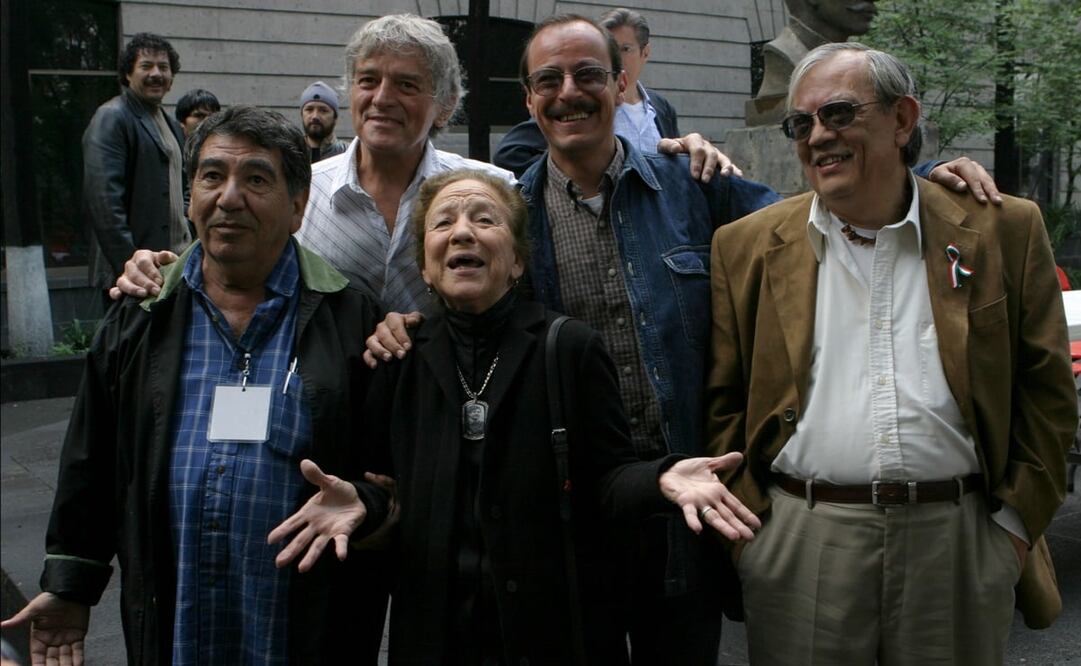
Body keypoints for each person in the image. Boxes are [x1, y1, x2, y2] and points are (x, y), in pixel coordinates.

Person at [367, 15, 1007, 664]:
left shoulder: (693, 185)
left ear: (622, 85)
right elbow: (474, 312)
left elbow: (823, 207)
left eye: (588, 75)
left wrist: (921, 176)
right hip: (569, 518)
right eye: (548, 81)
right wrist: (406, 321)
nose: (569, 93)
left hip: (688, 508)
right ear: (529, 101)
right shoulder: (515, 217)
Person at [269, 168, 761, 665]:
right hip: (435, 636)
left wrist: (662, 477)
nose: (463, 232)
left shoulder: (569, 347)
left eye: (485, 219)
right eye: (444, 222)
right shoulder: (399, 359)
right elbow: (385, 484)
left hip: (554, 636)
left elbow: (608, 478)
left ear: (519, 261)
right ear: (424, 267)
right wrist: (363, 505)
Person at [706, 42, 1076, 663]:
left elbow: (1048, 396)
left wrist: (1012, 532)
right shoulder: (743, 246)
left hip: (958, 542)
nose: (818, 136)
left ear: (902, 119)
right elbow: (723, 400)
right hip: (800, 543)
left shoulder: (1002, 229)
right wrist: (753, 539)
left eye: (838, 113)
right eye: (801, 124)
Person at [1, 106, 390, 665]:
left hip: (303, 627)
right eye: (212, 176)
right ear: (190, 199)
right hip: (175, 626)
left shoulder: (351, 320)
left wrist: (367, 503)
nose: (229, 198)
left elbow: (388, 475)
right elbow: (92, 461)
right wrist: (69, 586)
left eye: (256, 179)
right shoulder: (139, 316)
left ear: (298, 206)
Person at [493, 7, 682, 177]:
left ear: (645, 52)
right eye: (549, 79)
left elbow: (674, 160)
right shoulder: (570, 110)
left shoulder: (660, 107)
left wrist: (690, 159)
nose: (569, 92)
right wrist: (563, 176)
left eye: (625, 49)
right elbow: (509, 153)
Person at [84, 32, 190, 309]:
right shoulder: (112, 117)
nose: (156, 74)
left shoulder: (170, 124)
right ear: (128, 74)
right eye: (146, 66)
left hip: (170, 266)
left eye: (163, 67)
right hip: (133, 274)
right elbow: (104, 202)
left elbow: (182, 188)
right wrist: (130, 266)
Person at [299, 81, 348, 163]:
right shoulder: (290, 154)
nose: (315, 116)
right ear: (302, 115)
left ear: (335, 118)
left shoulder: (348, 154)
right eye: (309, 109)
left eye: (323, 110)